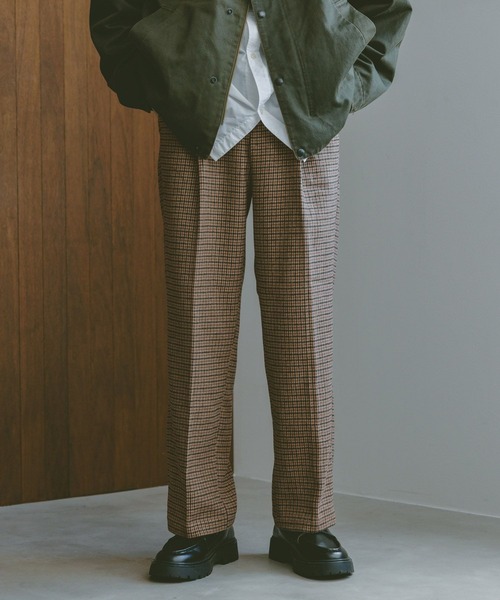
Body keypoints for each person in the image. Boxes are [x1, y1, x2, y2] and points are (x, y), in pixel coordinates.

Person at [89, 0, 412, 583]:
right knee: (197, 332)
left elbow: (388, 8)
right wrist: (164, 85)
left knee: (304, 332)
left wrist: (347, 85)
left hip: (306, 119)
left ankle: (305, 522)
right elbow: (114, 12)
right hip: (198, 122)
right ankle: (201, 524)